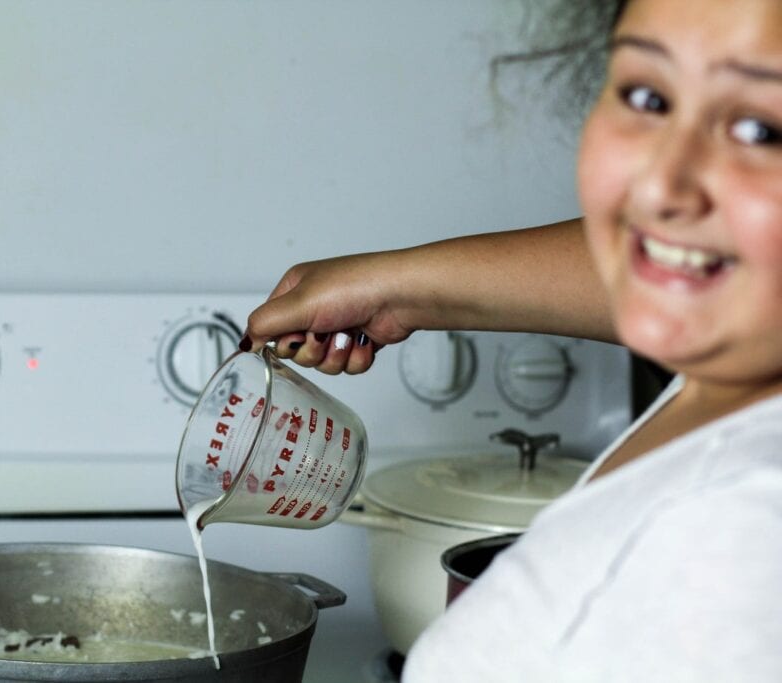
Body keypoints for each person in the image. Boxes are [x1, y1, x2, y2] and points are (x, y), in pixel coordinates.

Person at [240, 0, 782, 679]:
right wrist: (397, 288)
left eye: (762, 129)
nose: (659, 184)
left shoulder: (741, 533)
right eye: (648, 95)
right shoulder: (734, 364)